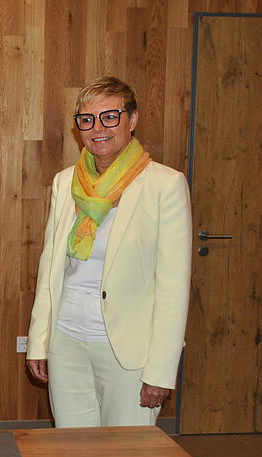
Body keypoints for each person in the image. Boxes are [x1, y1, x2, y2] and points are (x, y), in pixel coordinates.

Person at [26, 76, 191, 427]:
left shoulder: (165, 185)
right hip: (67, 341)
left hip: (128, 351)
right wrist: (39, 341)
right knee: (74, 454)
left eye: (110, 117)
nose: (98, 128)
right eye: (87, 120)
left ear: (132, 120)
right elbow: (51, 268)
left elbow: (173, 288)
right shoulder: (64, 181)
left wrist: (161, 370)